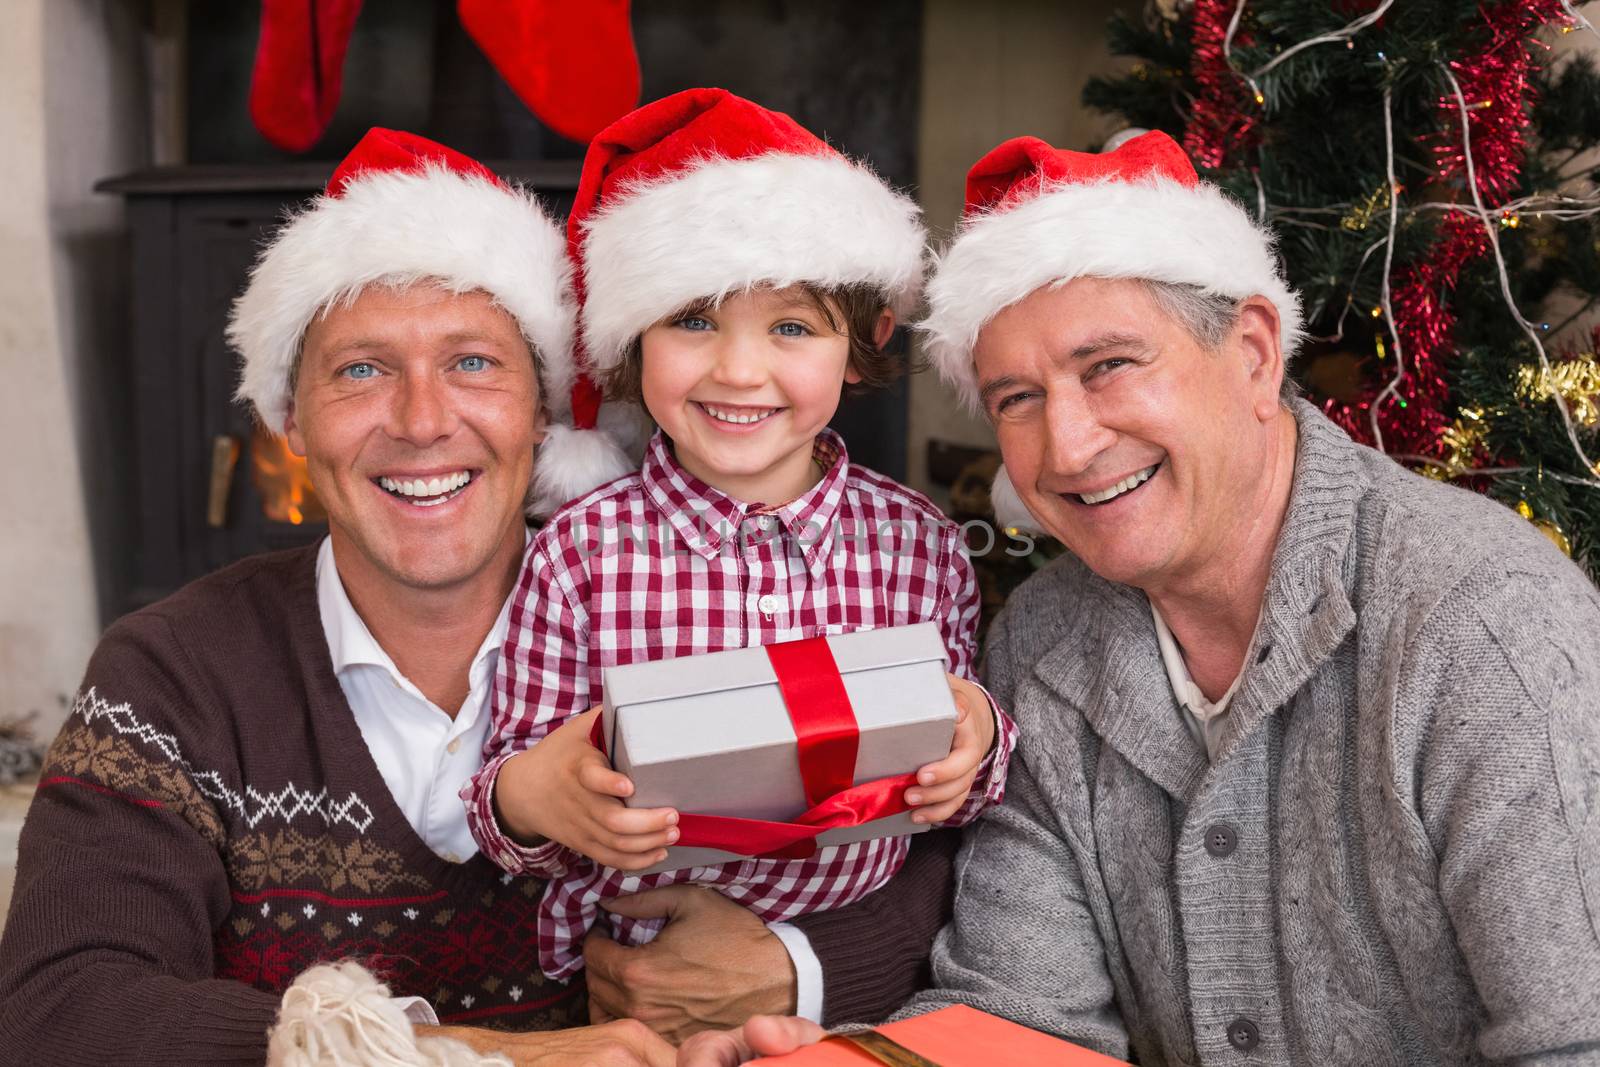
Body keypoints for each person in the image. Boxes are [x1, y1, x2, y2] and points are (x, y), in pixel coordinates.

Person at [0, 126, 956, 1066]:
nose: (423, 421)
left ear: (544, 412)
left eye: (473, 363)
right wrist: (465, 1060)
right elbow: (59, 1010)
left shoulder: (662, 606)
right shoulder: (174, 669)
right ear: (290, 422)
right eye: (362, 370)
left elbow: (943, 854)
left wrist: (794, 963)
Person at [683, 130, 1600, 1066]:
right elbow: (1022, 1018)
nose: (1068, 447)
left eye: (1109, 365)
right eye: (1017, 399)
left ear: (1251, 352)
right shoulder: (1043, 639)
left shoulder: (1486, 628)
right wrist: (852, 1064)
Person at [461, 88, 1016, 1009]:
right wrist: (538, 793)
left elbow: (955, 775)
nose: (739, 370)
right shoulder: (580, 556)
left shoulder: (920, 548)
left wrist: (978, 741)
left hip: (855, 993)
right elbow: (507, 794)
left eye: (791, 328)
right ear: (634, 337)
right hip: (639, 998)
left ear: (862, 342)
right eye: (693, 320)